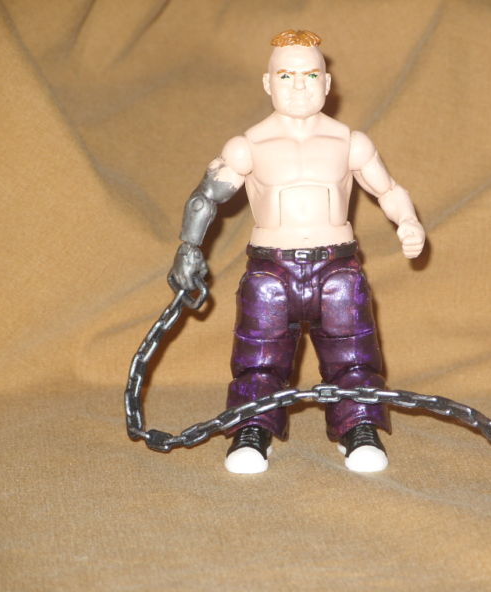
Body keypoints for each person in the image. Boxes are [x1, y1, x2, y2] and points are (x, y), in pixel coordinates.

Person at [170, 29, 425, 474]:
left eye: (310, 75)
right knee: (259, 358)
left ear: (327, 83)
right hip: (271, 271)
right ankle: (253, 428)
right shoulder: (248, 147)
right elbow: (205, 198)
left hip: (337, 268)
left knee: (352, 355)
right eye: (286, 76)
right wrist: (188, 248)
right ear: (268, 83)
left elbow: (388, 190)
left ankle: (358, 426)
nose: (299, 85)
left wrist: (408, 221)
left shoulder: (350, 143)